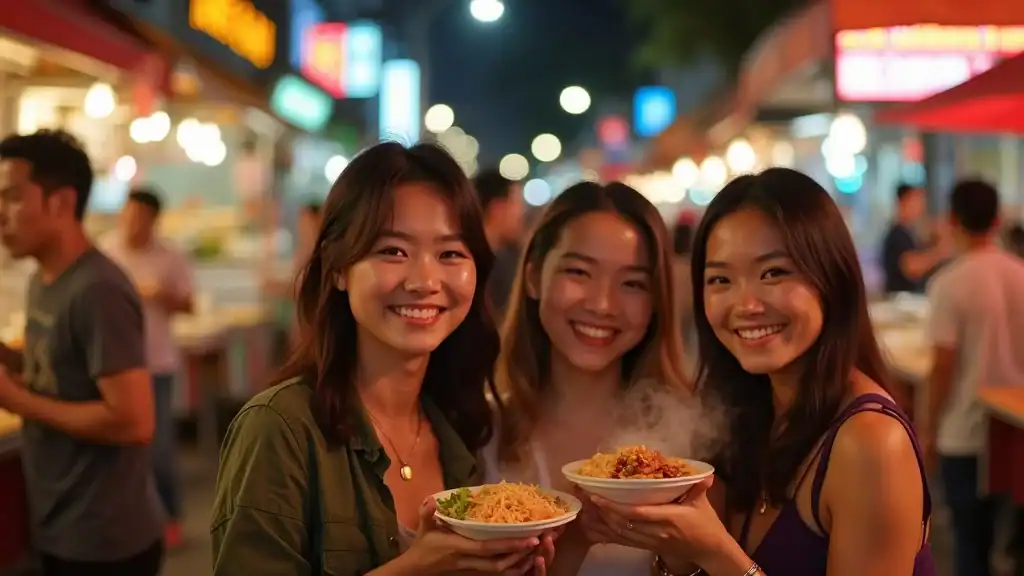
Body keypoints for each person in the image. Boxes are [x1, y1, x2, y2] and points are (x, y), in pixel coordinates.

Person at [211, 142, 557, 575]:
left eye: (450, 253)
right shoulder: (279, 428)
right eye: (393, 251)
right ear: (338, 267)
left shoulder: (459, 430)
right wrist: (416, 569)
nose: (425, 281)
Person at [580, 168, 936, 575]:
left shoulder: (872, 442)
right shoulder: (746, 415)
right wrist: (677, 555)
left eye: (773, 273)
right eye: (720, 279)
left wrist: (716, 553)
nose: (746, 304)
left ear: (830, 277)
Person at [483, 181, 692, 576]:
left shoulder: (686, 451)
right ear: (532, 277)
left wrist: (684, 561)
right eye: (579, 272)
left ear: (656, 302)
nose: (602, 304)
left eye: (632, 283)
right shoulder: (480, 434)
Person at [0, 129, 164, 575]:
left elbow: (134, 421)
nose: (1, 215)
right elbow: (60, 370)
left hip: (104, 540)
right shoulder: (44, 278)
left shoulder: (98, 290)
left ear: (60, 203)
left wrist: (18, 402)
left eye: (12, 197)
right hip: (60, 521)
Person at [922, 179, 1024, 576]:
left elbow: (943, 366)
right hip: (1014, 433)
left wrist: (927, 428)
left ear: (952, 221)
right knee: (1011, 545)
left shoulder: (949, 283)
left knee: (970, 544)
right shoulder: (1020, 273)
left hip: (963, 433)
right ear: (997, 220)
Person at [100, 186, 195, 548]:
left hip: (156, 364)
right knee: (118, 450)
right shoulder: (106, 252)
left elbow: (188, 305)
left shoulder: (170, 257)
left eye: (141, 217)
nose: (132, 223)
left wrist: (161, 295)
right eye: (128, 214)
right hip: (112, 365)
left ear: (154, 220)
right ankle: (127, 521)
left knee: (159, 448)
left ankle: (170, 517)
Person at [473, 169, 525, 317]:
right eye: (517, 205)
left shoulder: (460, 256)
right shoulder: (499, 265)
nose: (521, 214)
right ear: (498, 208)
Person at [881, 183, 947, 294]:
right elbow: (911, 267)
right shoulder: (897, 234)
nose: (921, 207)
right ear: (903, 201)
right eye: (916, 201)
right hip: (900, 299)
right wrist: (940, 252)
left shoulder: (911, 232)